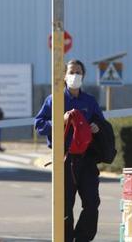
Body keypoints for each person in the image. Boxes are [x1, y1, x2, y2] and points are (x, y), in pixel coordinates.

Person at [35, 59, 106, 242]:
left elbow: (101, 122)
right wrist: (61, 120)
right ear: (64, 76)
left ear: (83, 76)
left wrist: (97, 126)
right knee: (65, 205)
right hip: (64, 159)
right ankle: (65, 238)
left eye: (79, 72)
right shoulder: (55, 99)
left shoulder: (89, 101)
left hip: (86, 158)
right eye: (72, 72)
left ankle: (82, 238)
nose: (75, 76)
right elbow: (39, 125)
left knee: (92, 202)